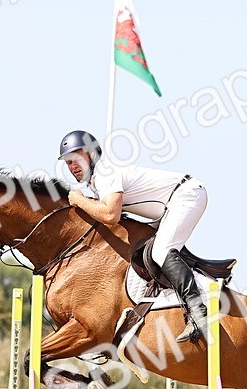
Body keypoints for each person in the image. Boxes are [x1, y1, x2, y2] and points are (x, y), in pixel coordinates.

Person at [57, 129, 210, 343]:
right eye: (68, 163)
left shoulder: (106, 173)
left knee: (161, 251)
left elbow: (110, 214)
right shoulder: (97, 182)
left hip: (186, 195)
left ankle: (198, 313)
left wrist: (79, 200)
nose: (72, 167)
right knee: (150, 249)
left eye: (75, 159)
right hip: (169, 205)